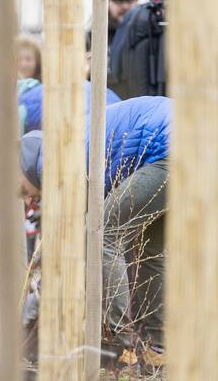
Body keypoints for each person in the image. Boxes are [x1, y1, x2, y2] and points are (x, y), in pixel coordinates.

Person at [19, 96, 170, 363]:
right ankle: (156, 349)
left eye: (23, 191)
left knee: (104, 233)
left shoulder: (54, 165)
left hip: (168, 148)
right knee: (152, 250)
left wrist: (37, 299)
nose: (30, 200)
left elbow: (77, 242)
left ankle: (120, 344)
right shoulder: (66, 146)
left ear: (28, 167)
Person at [109, 0, 166, 100]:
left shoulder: (149, 30)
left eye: (129, 0)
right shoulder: (93, 37)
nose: (125, 6)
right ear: (107, 2)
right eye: (119, 0)